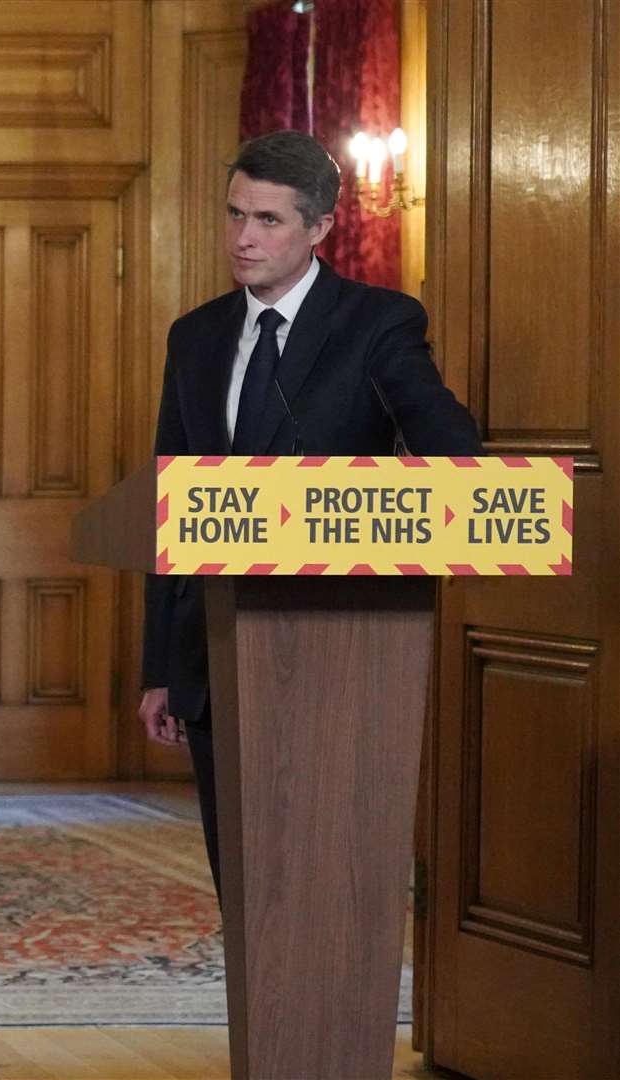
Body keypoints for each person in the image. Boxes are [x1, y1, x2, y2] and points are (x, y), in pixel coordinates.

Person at [137, 130, 483, 900]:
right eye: (233, 215)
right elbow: (174, 505)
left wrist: (449, 477)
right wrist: (159, 667)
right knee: (243, 888)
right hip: (213, 646)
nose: (242, 238)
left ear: (320, 227)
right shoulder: (193, 337)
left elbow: (441, 440)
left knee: (320, 888)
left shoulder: (376, 323)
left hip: (337, 648)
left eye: (267, 220)